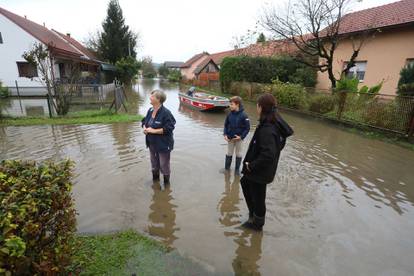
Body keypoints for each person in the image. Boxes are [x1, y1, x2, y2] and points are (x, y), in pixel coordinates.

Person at [240, 93, 293, 231]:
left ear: (261, 107)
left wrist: (251, 165)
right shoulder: (273, 122)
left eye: (257, 105)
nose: (256, 108)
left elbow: (268, 154)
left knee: (258, 196)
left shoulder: (268, 128)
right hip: (263, 169)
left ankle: (257, 225)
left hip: (260, 171)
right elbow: (278, 145)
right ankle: (253, 215)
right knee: (245, 182)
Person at [142, 90, 176, 185]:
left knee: (164, 165)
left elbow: (170, 128)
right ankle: (155, 184)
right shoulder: (150, 110)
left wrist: (153, 131)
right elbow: (144, 121)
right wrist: (145, 128)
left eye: (152, 96)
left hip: (163, 144)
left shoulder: (166, 113)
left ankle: (166, 186)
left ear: (158, 99)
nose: (150, 98)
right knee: (154, 164)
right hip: (151, 143)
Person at [223, 96, 250, 175]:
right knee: (229, 153)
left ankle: (237, 171)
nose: (230, 106)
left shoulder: (244, 115)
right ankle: (227, 169)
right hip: (230, 138)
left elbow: (247, 128)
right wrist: (225, 134)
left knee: (238, 154)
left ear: (237, 104)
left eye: (231, 104)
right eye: (230, 104)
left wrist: (241, 137)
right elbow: (225, 125)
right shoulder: (229, 114)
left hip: (239, 139)